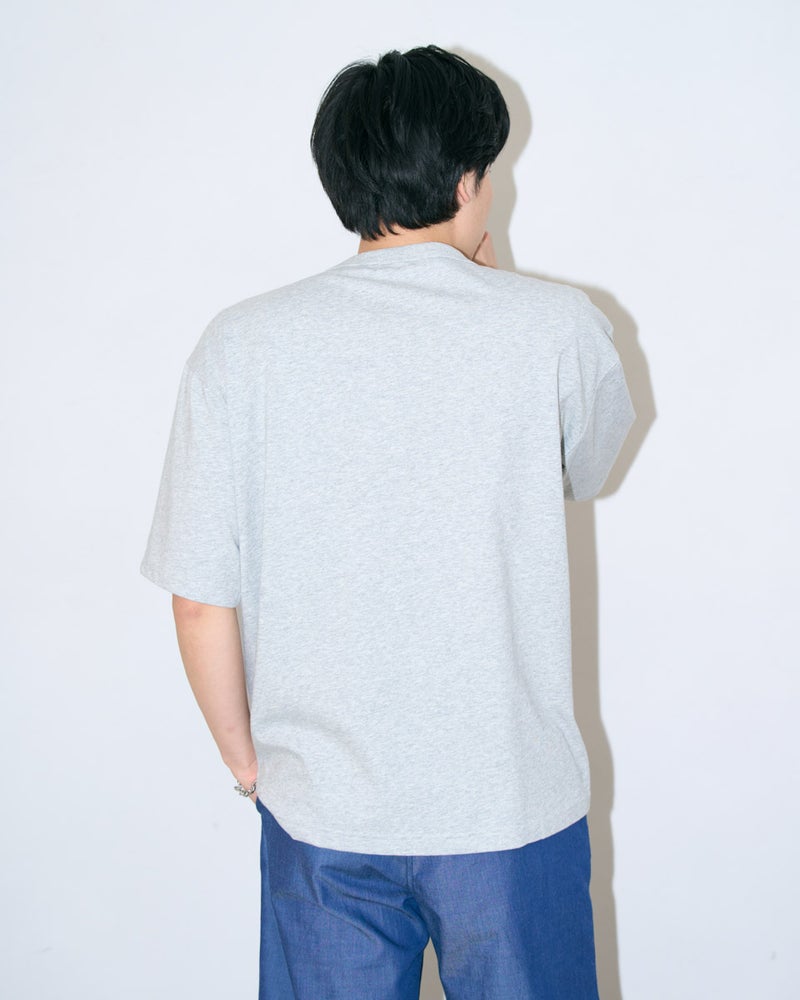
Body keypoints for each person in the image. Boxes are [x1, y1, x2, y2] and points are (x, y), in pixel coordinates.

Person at [141, 44, 635, 1000]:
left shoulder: (241, 344)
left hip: (322, 812)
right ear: (466, 180)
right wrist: (496, 283)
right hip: (511, 806)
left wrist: (251, 768)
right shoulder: (555, 327)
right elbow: (587, 467)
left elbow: (199, 600)